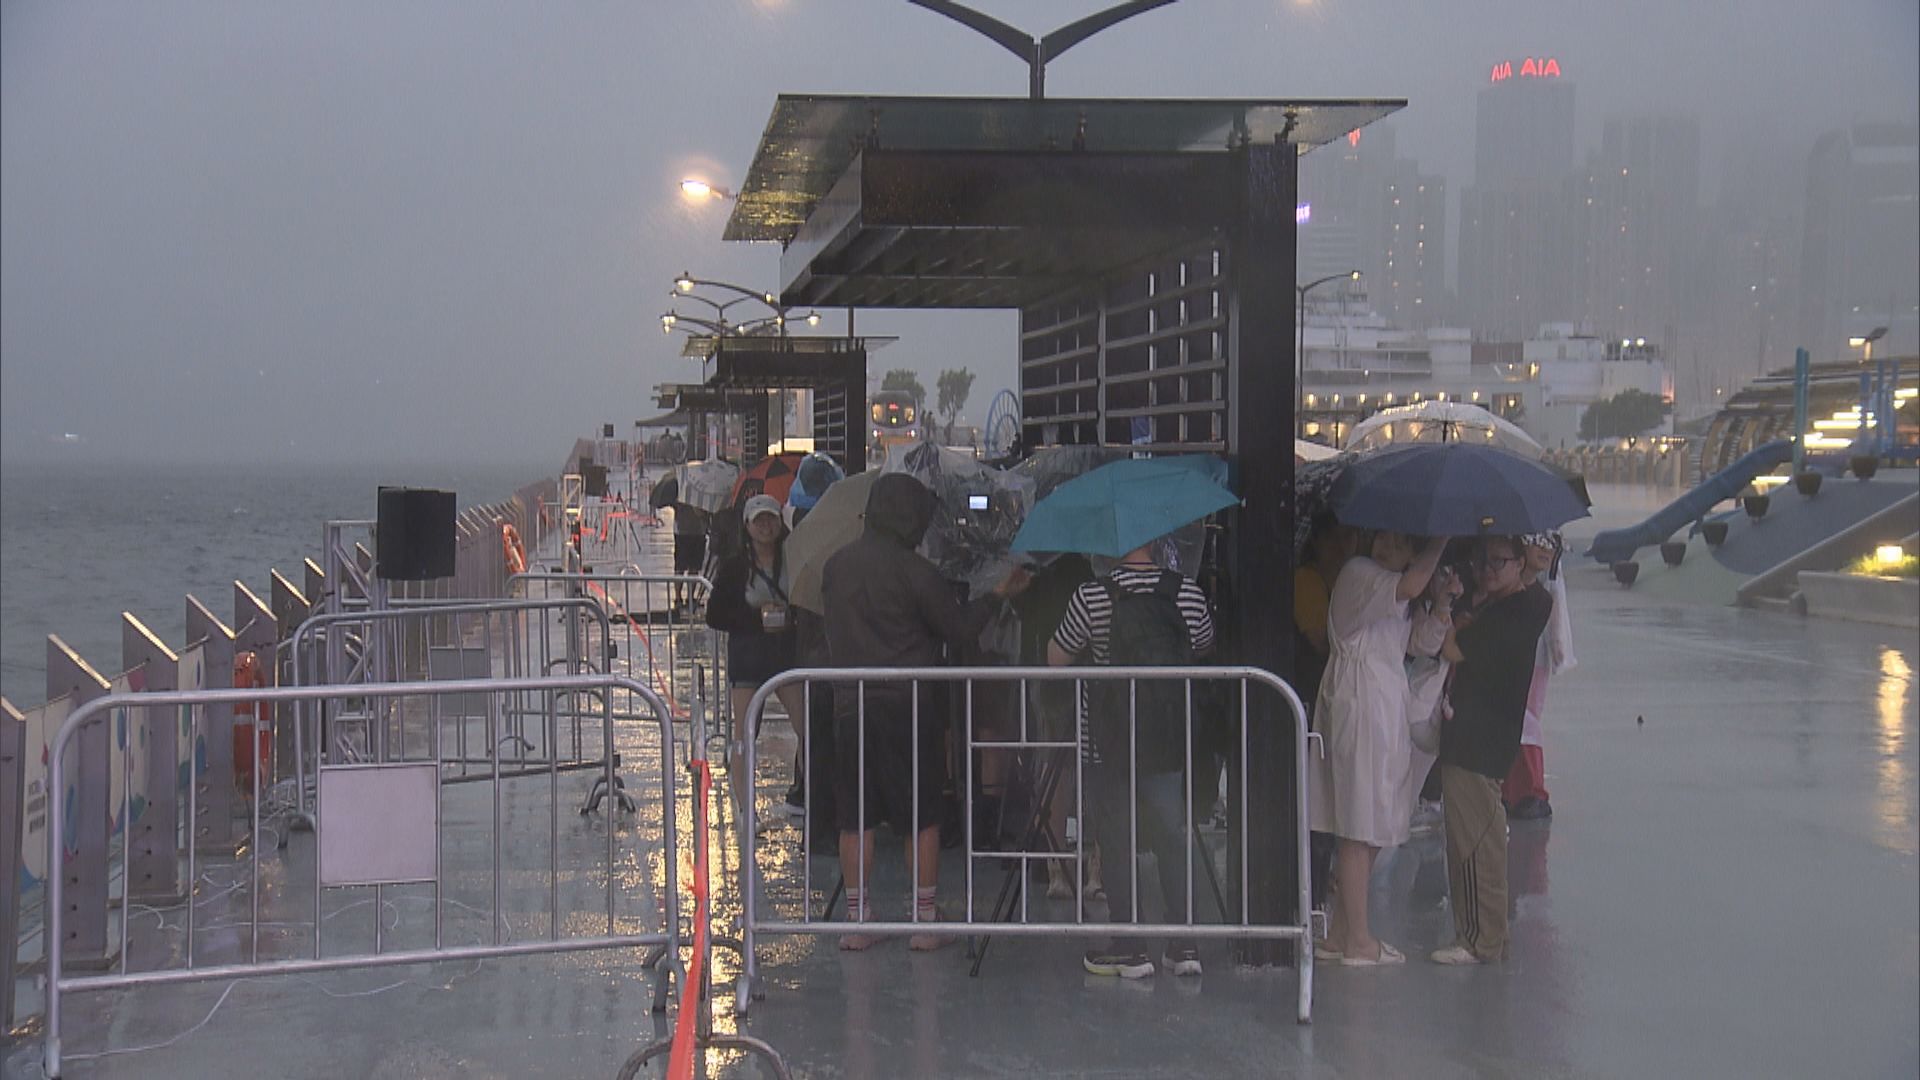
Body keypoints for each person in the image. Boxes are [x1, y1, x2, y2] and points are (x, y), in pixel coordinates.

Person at [822, 473, 1030, 951]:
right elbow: (958, 628)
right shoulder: (914, 572)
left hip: (849, 704)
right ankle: (924, 918)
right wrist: (997, 595)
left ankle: (858, 920)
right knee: (922, 814)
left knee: (855, 818)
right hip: (909, 704)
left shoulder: (837, 566)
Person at [1048, 536, 1216, 979]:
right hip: (1167, 734)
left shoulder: (1092, 595)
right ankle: (1185, 946)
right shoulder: (1186, 593)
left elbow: (1057, 657)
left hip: (1109, 736)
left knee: (1116, 836)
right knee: (1171, 833)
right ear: (1157, 542)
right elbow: (1202, 644)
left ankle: (1130, 947)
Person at [1307, 530, 1446, 967]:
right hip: (1361, 702)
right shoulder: (1360, 574)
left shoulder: (1388, 588)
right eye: (1383, 539)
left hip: (1382, 705)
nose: (1389, 548)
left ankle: (1344, 932)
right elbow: (1408, 586)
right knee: (1357, 822)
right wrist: (1439, 544)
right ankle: (1359, 940)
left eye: (1399, 543)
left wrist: (1442, 604)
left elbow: (1419, 644)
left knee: (1368, 822)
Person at [1430, 535, 1553, 966]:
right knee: (1482, 840)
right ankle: (1489, 935)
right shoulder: (1531, 604)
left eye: (1499, 561)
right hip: (1490, 738)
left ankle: (1477, 939)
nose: (1488, 569)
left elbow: (1449, 647)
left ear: (1521, 564)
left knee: (1472, 845)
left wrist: (1449, 610)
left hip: (1475, 740)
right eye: (1482, 561)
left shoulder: (1509, 615)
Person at [706, 495, 809, 821]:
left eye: (772, 519)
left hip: (786, 655)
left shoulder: (793, 559)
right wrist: (756, 620)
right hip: (748, 658)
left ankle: (812, 794)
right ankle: (745, 808)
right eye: (759, 520)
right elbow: (715, 614)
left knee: (806, 727)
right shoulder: (735, 567)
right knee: (745, 732)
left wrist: (791, 618)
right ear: (747, 526)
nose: (766, 526)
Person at [1504, 533, 1575, 820]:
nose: (1546, 549)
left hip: (1537, 655)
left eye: (1551, 543)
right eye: (1539, 542)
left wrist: (1558, 645)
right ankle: (1520, 787)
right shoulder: (1509, 576)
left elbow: (1556, 605)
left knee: (1528, 718)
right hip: (1516, 652)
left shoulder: (1549, 579)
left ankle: (1525, 788)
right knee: (1520, 720)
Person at [670, 499, 710, 611]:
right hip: (685, 531)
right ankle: (679, 598)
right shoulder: (683, 494)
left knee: (692, 567)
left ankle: (689, 598)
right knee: (681, 567)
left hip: (696, 532)